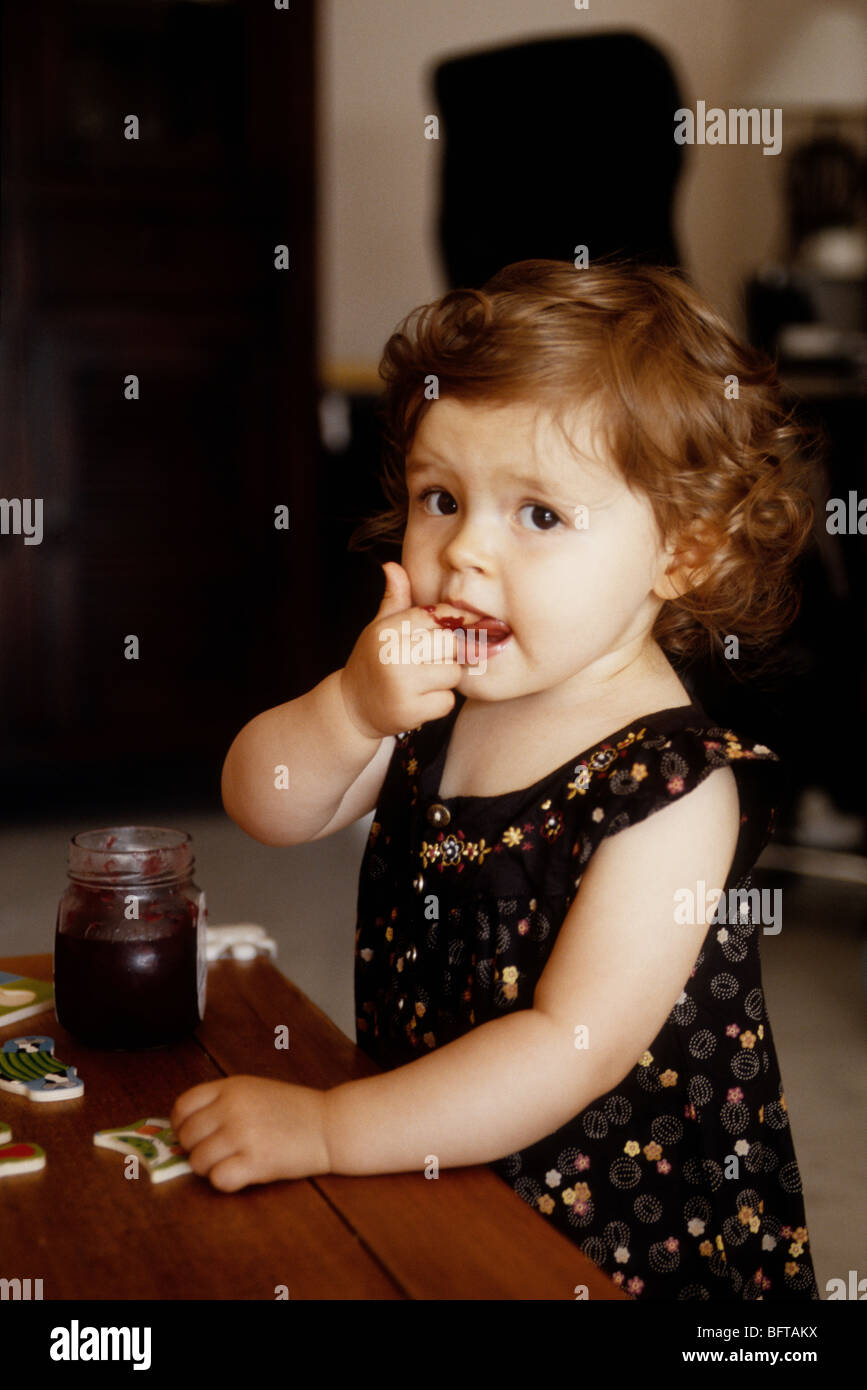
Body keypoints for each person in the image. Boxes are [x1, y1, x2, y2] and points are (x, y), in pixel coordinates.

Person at [171, 258, 820, 1300]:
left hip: (603, 1226)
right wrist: (348, 709)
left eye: (540, 515)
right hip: (425, 1144)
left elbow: (573, 1046)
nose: (464, 550)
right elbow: (268, 804)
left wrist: (333, 1126)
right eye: (441, 498)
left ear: (682, 551)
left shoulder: (675, 784)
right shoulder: (434, 696)